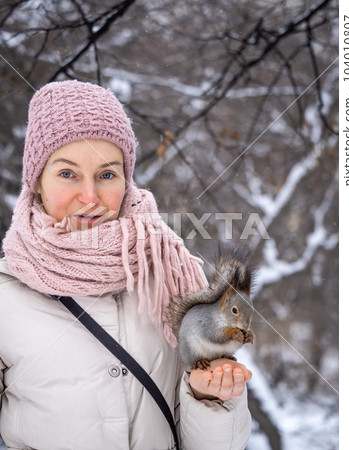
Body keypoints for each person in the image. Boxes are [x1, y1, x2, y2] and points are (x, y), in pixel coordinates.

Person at [0, 80, 252, 450]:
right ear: (36, 181)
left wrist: (209, 396)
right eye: (67, 173)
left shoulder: (174, 273)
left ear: (126, 180)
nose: (89, 196)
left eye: (106, 175)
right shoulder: (6, 294)